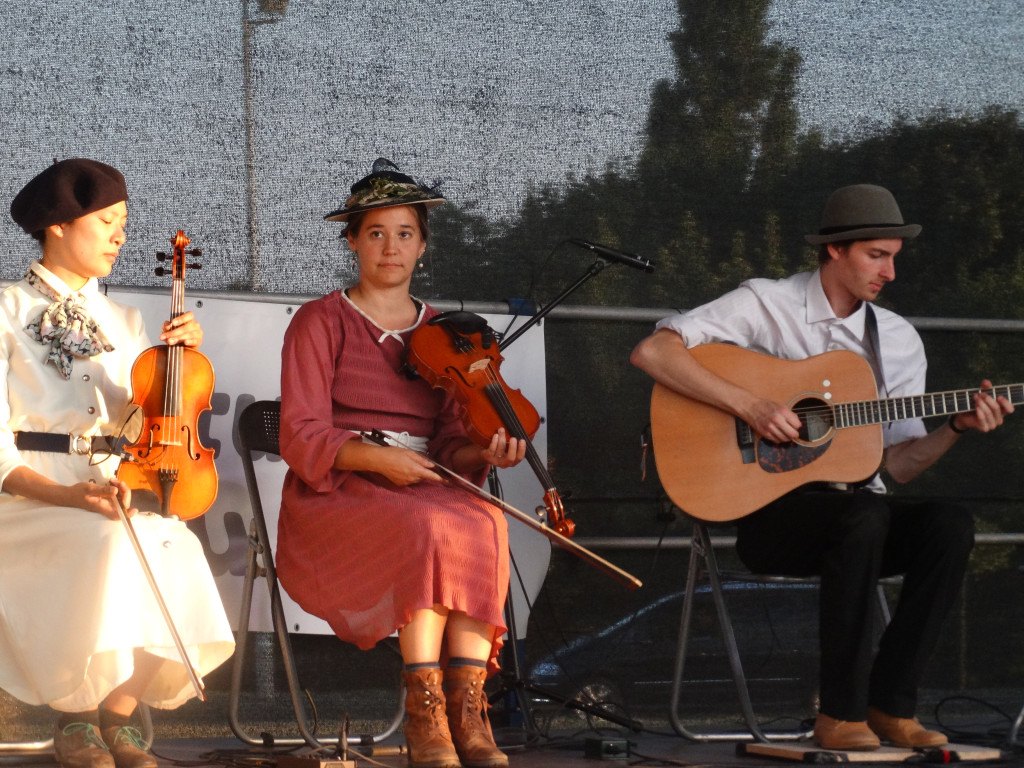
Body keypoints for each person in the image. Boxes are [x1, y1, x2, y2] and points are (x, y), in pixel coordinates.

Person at [631, 184, 1013, 751]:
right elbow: (654, 352)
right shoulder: (767, 303)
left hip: (860, 515)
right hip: (769, 516)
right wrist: (754, 406)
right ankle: (839, 713)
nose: (889, 273)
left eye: (893, 258)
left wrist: (954, 428)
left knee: (948, 524)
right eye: (875, 255)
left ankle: (889, 706)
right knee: (864, 516)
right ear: (835, 249)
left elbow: (899, 467)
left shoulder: (898, 340)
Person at [276, 158, 525, 768]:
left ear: (423, 246)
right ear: (353, 241)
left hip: (426, 481)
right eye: (376, 233)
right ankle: (424, 712)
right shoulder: (318, 321)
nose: (391, 247)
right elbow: (300, 431)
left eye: (405, 234)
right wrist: (375, 460)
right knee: (432, 526)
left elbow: (449, 446)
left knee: (487, 521)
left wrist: (483, 448)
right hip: (343, 485)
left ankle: (468, 709)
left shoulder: (446, 333)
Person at [0, 159, 235, 768]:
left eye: (123, 222)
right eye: (106, 220)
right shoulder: (4, 309)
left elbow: (140, 430)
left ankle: (120, 715)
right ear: (57, 225)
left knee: (176, 549)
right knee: (103, 542)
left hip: (112, 488)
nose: (120, 235)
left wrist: (174, 368)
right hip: (29, 496)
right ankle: (75, 719)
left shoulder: (126, 322)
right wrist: (66, 496)